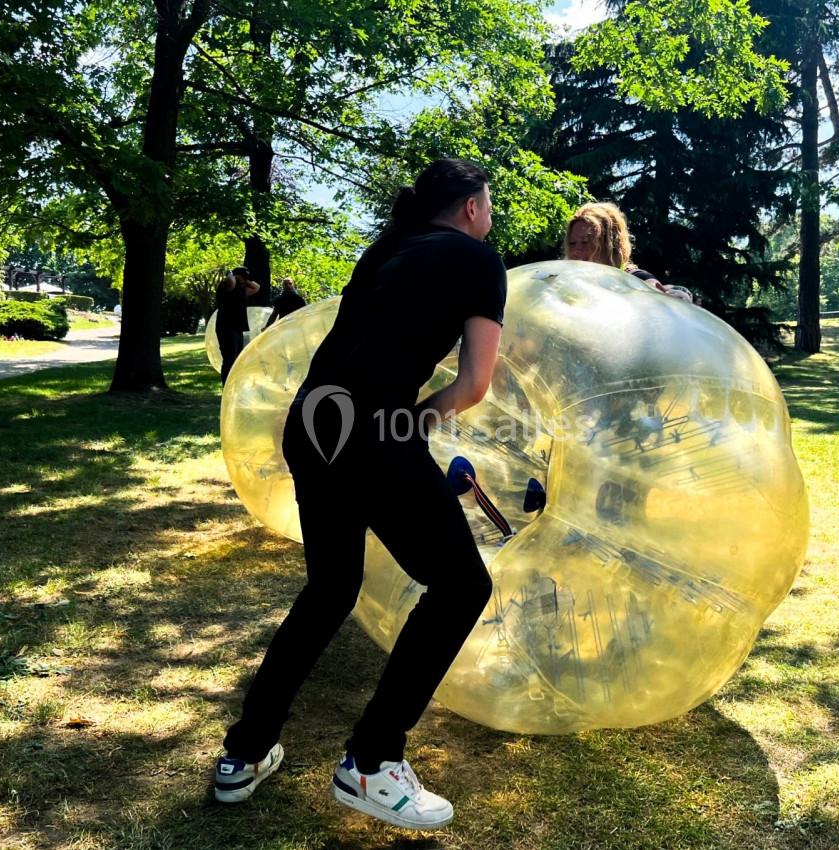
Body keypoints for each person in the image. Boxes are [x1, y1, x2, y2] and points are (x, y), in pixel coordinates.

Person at [213, 160, 505, 831]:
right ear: (469, 207)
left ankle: (245, 752)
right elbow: (474, 384)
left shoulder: (387, 249)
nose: (490, 216)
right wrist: (414, 425)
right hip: (370, 431)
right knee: (461, 586)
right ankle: (372, 762)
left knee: (330, 589)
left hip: (312, 422)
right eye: (488, 203)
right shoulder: (477, 259)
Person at [562, 202, 693, 302]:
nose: (576, 250)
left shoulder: (633, 279)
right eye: (572, 243)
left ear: (610, 244)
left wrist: (672, 295)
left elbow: (652, 287)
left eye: (586, 242)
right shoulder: (572, 283)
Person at [215, 267, 261, 384]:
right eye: (243, 278)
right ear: (235, 276)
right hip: (226, 327)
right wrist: (231, 274)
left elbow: (257, 287)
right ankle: (226, 386)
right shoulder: (226, 287)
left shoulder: (242, 289)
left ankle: (233, 384)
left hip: (237, 327)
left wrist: (245, 280)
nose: (245, 281)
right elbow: (231, 281)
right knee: (229, 359)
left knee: (237, 358)